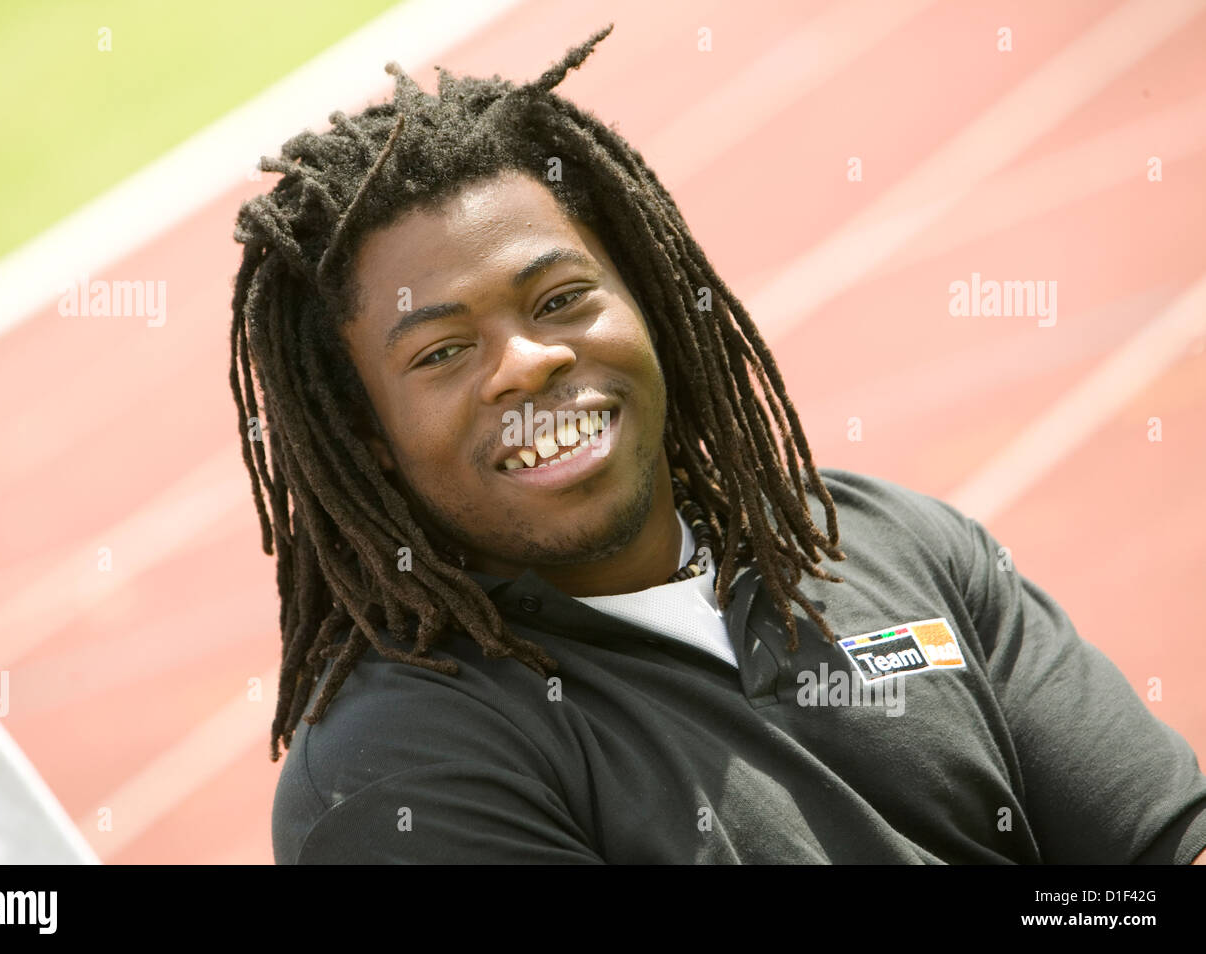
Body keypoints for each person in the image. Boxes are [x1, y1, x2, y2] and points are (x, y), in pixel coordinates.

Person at [228, 25, 1206, 864]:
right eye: (442, 351)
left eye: (560, 300)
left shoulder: (888, 542)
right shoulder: (395, 765)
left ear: (649, 301)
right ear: (367, 435)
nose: (526, 362)